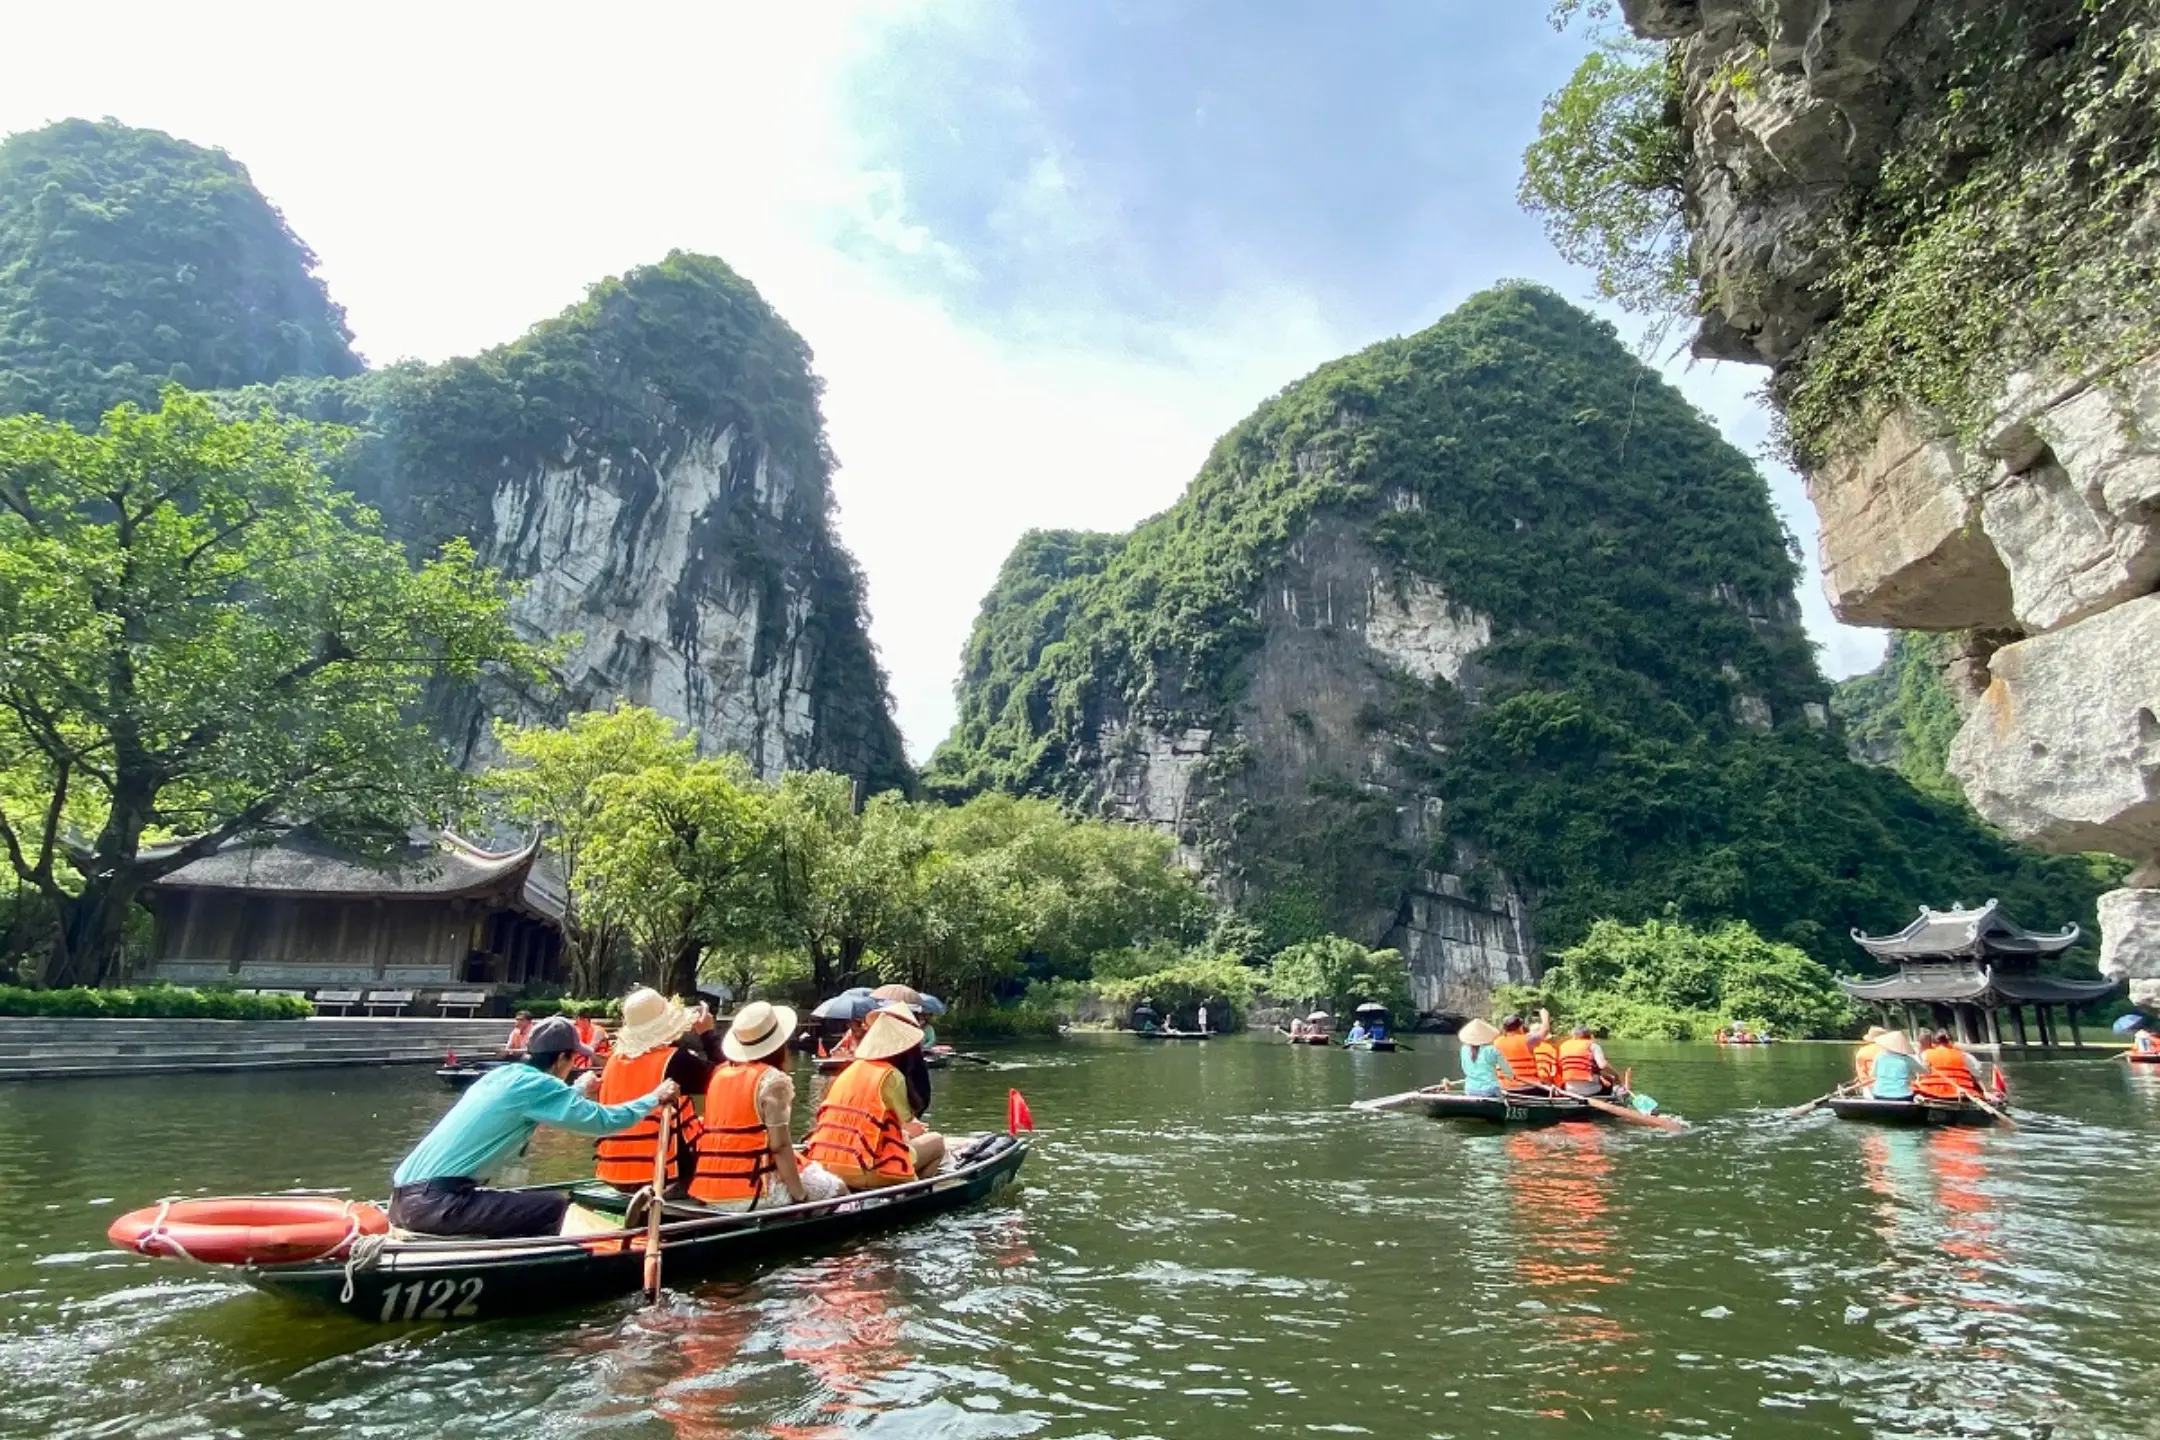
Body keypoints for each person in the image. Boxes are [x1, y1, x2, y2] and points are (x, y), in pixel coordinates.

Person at [390, 1016, 679, 1238]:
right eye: (573, 1057)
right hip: (438, 1204)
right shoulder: (540, 1086)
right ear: (563, 1058)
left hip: (401, 1201)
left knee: (529, 1204)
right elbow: (605, 1121)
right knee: (553, 1207)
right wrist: (654, 1097)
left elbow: (534, 1105)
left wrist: (577, 1089)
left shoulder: (504, 1075)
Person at [687, 1002, 847, 1212]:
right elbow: (779, 1146)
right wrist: (800, 1196)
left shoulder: (719, 1074)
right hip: (753, 1192)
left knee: (809, 1169)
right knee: (838, 1189)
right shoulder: (772, 1080)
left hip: (707, 1189)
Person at [593, 987, 724, 1194]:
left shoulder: (614, 1061)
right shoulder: (675, 1060)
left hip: (615, 1174)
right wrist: (708, 1034)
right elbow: (729, 1080)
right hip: (664, 1175)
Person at [805, 1009, 946, 1189]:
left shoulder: (850, 1070)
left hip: (825, 1166)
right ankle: (915, 1193)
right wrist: (912, 1131)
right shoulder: (891, 1075)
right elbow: (905, 1125)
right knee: (937, 1142)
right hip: (867, 1169)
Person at [1915, 1030, 1985, 1099]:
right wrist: (1985, 1091)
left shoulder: (1926, 1054)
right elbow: (1977, 1075)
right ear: (1951, 1042)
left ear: (1934, 1042)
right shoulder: (1963, 1055)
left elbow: (1920, 1075)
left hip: (1931, 1092)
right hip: (1960, 1093)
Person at [1457, 1018, 1517, 1096]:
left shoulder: (1464, 1049)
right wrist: (1511, 1077)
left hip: (1470, 1090)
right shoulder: (1492, 1050)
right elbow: (1508, 1073)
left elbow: (1464, 1068)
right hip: (1490, 1090)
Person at [1494, 1010, 1550, 1090]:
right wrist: (1545, 1017)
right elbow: (1545, 1031)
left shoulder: (1497, 1042)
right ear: (1520, 1027)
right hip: (1528, 1087)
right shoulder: (1527, 1040)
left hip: (1506, 1088)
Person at [1867, 1029, 1930, 1100]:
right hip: (1903, 1095)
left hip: (1879, 1094)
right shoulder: (1907, 1059)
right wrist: (1924, 1062)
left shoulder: (1879, 1056)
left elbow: (1872, 1074)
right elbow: (1925, 1072)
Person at [1556, 1025, 1611, 1097]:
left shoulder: (1563, 1046)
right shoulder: (1593, 1045)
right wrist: (1618, 1076)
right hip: (1591, 1090)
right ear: (1589, 1035)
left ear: (1573, 1035)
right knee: (1610, 1082)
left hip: (1569, 1089)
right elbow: (1603, 1065)